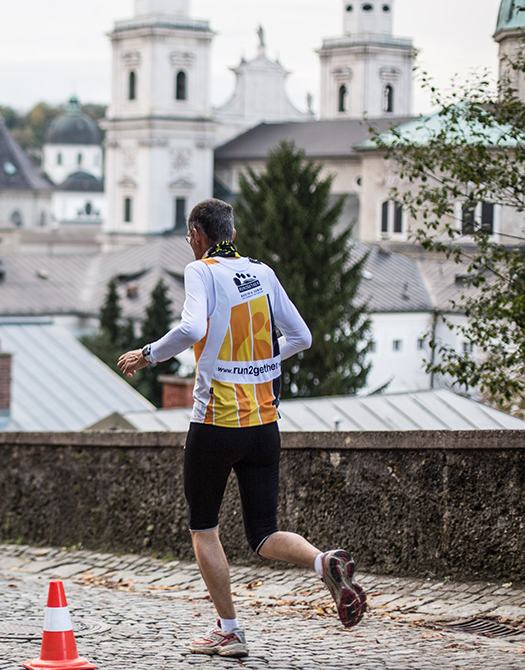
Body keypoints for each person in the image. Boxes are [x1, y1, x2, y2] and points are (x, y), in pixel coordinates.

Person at [117, 198, 367, 658]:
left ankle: (229, 631)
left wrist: (147, 353)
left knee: (204, 527)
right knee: (263, 533)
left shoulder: (201, 271)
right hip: (264, 425)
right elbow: (302, 338)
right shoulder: (264, 272)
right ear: (231, 232)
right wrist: (263, 363)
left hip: (216, 423)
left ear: (197, 236)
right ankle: (322, 560)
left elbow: (191, 328)